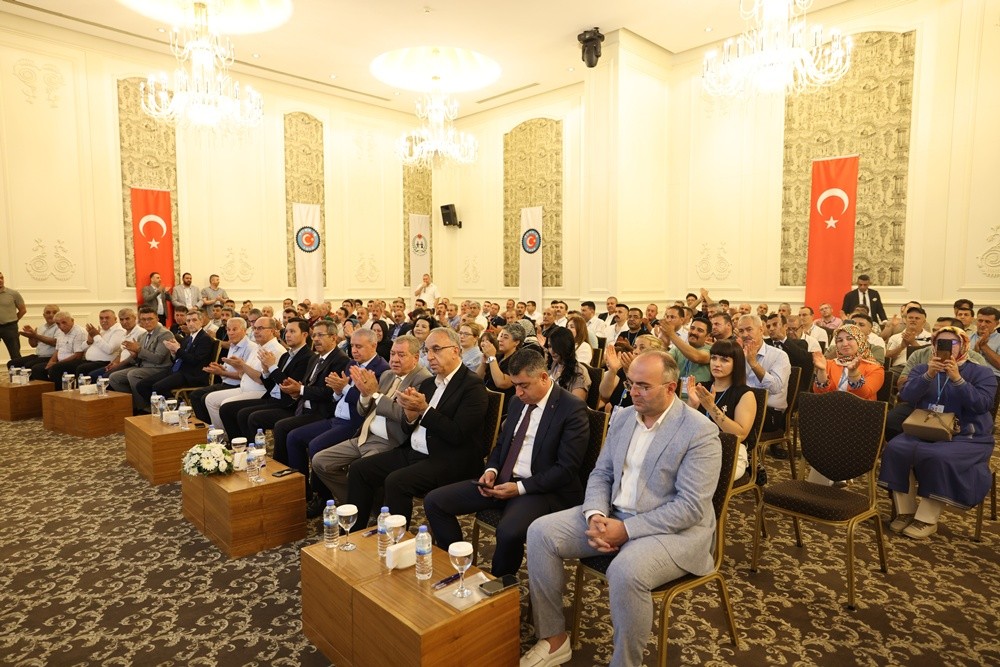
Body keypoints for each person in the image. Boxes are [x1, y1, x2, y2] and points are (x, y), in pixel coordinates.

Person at [521, 351, 721, 667]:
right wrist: (596, 515)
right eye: (631, 384)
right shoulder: (626, 416)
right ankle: (554, 638)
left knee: (625, 571)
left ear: (671, 388)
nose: (634, 392)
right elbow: (602, 473)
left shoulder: (699, 431)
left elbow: (690, 507)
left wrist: (626, 530)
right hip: (614, 514)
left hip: (674, 531)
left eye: (644, 386)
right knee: (540, 532)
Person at [425, 349, 589, 577]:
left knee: (509, 531)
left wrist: (519, 488)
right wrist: (491, 469)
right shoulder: (516, 402)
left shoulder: (571, 409)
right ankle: (458, 566)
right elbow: (502, 444)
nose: (518, 392)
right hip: (502, 480)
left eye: (524, 385)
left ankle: (501, 586)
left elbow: (566, 468)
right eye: (515, 385)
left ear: (543, 377)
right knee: (435, 501)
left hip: (540, 489)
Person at [347, 327, 489, 529]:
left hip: (449, 458)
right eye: (427, 350)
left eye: (436, 349)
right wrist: (410, 416)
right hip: (415, 450)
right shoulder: (430, 383)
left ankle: (397, 538)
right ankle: (353, 530)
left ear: (455, 351)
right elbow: (409, 426)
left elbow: (457, 434)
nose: (429, 357)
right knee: (359, 469)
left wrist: (424, 410)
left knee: (396, 481)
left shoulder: (472, 386)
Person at [878, 327, 997, 539]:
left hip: (966, 434)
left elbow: (983, 404)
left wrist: (958, 379)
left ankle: (926, 519)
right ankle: (905, 512)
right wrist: (928, 375)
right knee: (896, 449)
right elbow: (906, 396)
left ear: (964, 345)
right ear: (933, 345)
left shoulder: (981, 372)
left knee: (938, 456)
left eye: (953, 343)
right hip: (925, 428)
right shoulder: (923, 368)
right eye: (941, 342)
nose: (948, 348)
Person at [311, 335, 432, 504]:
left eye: (401, 355)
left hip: (389, 441)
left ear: (416, 357)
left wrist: (375, 394)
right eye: (392, 354)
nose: (394, 359)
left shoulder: (423, 379)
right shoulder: (388, 375)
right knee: (320, 461)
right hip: (365, 434)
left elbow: (403, 416)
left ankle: (362, 504)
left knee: (359, 471)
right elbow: (363, 411)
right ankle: (356, 502)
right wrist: (364, 394)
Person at [218, 317, 314, 441]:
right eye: (286, 331)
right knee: (227, 409)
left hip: (288, 404)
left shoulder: (307, 357)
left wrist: (272, 367)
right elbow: (271, 385)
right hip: (272, 397)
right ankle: (238, 444)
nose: (287, 335)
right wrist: (267, 372)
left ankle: (253, 448)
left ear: (304, 334)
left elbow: (287, 385)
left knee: (249, 416)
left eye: (292, 331)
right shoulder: (286, 355)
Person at [686, 339, 757, 481]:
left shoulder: (745, 394)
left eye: (724, 360)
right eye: (713, 358)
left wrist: (711, 407)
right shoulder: (702, 388)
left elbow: (740, 435)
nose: (717, 364)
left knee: (696, 477)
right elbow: (684, 428)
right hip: (699, 448)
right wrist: (692, 405)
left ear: (736, 364)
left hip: (731, 452)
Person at [735, 314, 791, 459]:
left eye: (749, 329)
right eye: (741, 331)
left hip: (769, 412)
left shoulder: (779, 355)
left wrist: (753, 363)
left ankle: (744, 461)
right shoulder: (737, 353)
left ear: (761, 330)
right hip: (741, 406)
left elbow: (775, 388)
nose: (745, 334)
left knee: (731, 418)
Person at [108, 307, 174, 412]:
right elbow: (138, 359)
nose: (147, 322)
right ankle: (132, 404)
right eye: (143, 319)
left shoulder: (164, 334)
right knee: (114, 377)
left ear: (157, 319)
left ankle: (143, 408)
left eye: (150, 319)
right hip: (143, 366)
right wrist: (134, 355)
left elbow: (158, 359)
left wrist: (138, 350)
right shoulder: (142, 336)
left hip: (159, 368)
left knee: (133, 374)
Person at [811, 324, 885, 399]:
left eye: (849, 339)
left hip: (859, 406)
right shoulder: (828, 364)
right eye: (840, 340)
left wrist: (853, 373)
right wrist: (822, 371)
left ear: (860, 341)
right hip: (829, 405)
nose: (844, 344)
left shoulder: (875, 368)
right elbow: (819, 394)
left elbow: (863, 395)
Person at [478, 323, 524, 418]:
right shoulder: (498, 356)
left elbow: (502, 383)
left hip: (503, 408)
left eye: (505, 337)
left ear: (516, 342)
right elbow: (477, 378)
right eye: (500, 336)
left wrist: (491, 357)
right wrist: (483, 363)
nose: (500, 339)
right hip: (486, 401)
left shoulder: (519, 359)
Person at [545, 326, 590, 402]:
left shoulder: (579, 372)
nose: (552, 351)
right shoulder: (553, 365)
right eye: (550, 346)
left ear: (567, 347)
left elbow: (576, 405)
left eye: (556, 347)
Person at [40, 311, 87, 381]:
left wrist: (57, 363)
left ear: (72, 321)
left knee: (55, 368)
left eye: (64, 322)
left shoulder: (80, 332)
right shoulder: (60, 332)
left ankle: (58, 388)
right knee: (38, 369)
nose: (61, 326)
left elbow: (78, 355)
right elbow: (57, 350)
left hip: (74, 361)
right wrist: (51, 362)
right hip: (60, 361)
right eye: (58, 324)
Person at [0, 271, 26, 361]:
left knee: (15, 354)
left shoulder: (13, 293)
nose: (0, 280)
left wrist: (14, 320)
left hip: (10, 327)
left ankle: (18, 369)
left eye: (1, 278)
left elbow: (23, 310)